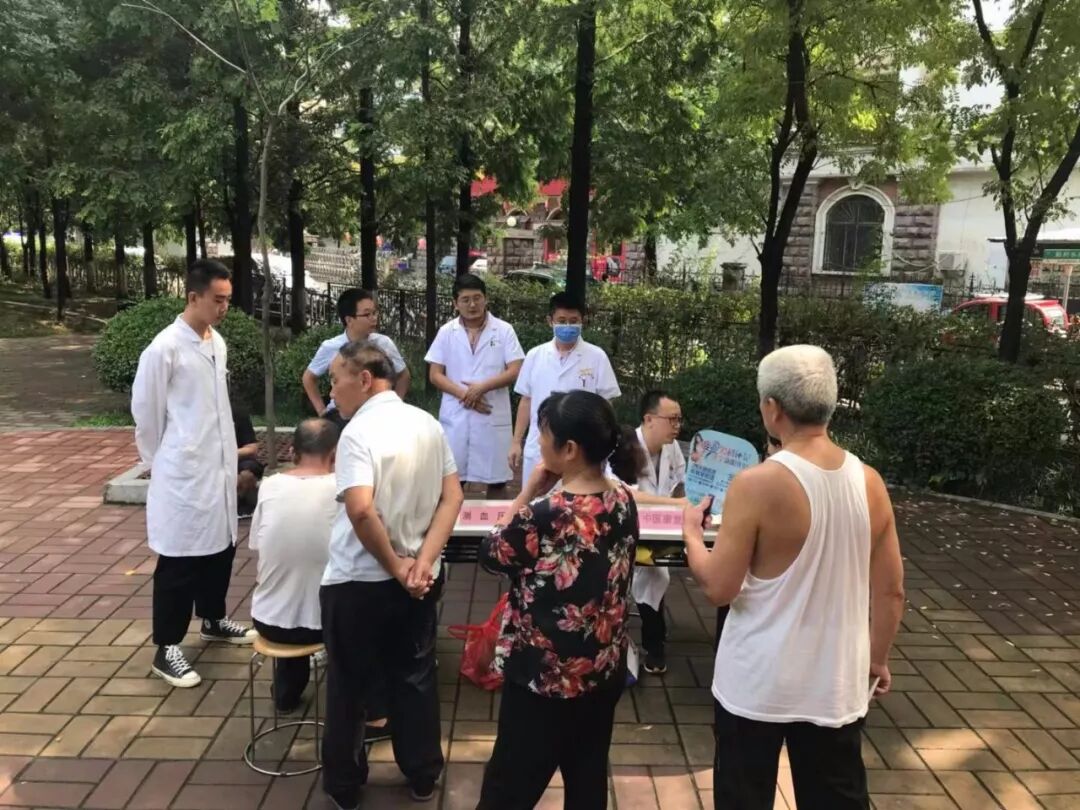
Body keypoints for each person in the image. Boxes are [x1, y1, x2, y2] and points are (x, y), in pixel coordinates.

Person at [681, 345, 904, 810]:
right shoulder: (870, 481)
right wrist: (877, 658)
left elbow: (719, 587)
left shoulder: (757, 483)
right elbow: (891, 590)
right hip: (836, 683)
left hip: (756, 682)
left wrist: (691, 536)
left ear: (772, 408)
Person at [477, 390, 644, 810]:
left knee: (507, 788)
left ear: (569, 449)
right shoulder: (623, 499)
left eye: (543, 434)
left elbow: (493, 552)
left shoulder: (545, 513)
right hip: (603, 667)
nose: (539, 442)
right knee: (586, 778)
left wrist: (528, 491)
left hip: (544, 679)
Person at [320, 341, 463, 809]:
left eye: (336, 379)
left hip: (359, 580)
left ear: (364, 379)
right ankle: (422, 773)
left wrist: (398, 566)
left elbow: (361, 511)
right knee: (415, 676)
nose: (331, 390)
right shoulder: (427, 424)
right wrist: (421, 562)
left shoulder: (357, 433)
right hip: (419, 581)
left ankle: (345, 784)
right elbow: (453, 497)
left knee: (348, 682)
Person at [131, 259, 256, 689]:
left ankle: (213, 619)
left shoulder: (216, 341)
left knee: (220, 547)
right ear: (193, 297)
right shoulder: (164, 349)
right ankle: (166, 648)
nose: (224, 307)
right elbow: (146, 415)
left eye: (228, 300)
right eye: (218, 300)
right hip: (182, 472)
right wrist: (163, 460)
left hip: (217, 467)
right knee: (180, 558)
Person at [248, 418, 339, 713]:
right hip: (325, 625)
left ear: (292, 451)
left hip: (267, 619)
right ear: (336, 453)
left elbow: (258, 546)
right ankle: (360, 704)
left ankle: (286, 695)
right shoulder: (343, 490)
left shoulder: (270, 486)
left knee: (295, 596)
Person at [425, 273, 525, 495]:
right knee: (452, 480)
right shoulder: (446, 332)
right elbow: (435, 375)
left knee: (497, 481)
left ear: (485, 299)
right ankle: (451, 519)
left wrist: (482, 387)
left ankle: (497, 520)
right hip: (456, 414)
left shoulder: (504, 330)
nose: (472, 305)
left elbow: (515, 370)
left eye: (477, 298)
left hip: (491, 413)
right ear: (455, 303)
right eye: (466, 299)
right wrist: (465, 395)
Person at [509, 292, 621, 483]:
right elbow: (526, 400)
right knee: (535, 497)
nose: (568, 326)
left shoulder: (596, 356)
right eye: (562, 321)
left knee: (578, 498)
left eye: (573, 321)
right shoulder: (535, 355)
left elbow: (606, 403)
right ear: (550, 321)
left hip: (581, 449)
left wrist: (603, 444)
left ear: (582, 321)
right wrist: (516, 442)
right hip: (540, 445)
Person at [625, 391, 688, 676]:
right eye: (671, 419)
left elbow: (681, 482)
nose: (677, 426)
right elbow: (626, 495)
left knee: (657, 571)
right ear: (649, 419)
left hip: (664, 529)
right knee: (653, 573)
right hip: (628, 530)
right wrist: (675, 504)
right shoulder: (626, 446)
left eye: (679, 420)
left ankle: (655, 637)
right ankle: (654, 642)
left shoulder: (670, 448)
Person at [302, 288, 411, 427]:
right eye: (367, 314)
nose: (374, 318)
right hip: (342, 416)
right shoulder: (331, 346)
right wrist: (322, 412)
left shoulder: (384, 344)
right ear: (349, 320)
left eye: (374, 313)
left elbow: (404, 376)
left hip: (376, 415)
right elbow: (308, 378)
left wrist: (395, 406)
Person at [234, 407, 264, 518]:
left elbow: (252, 449)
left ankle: (242, 505)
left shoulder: (237, 413)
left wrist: (226, 454)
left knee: (247, 472)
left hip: (235, 460)